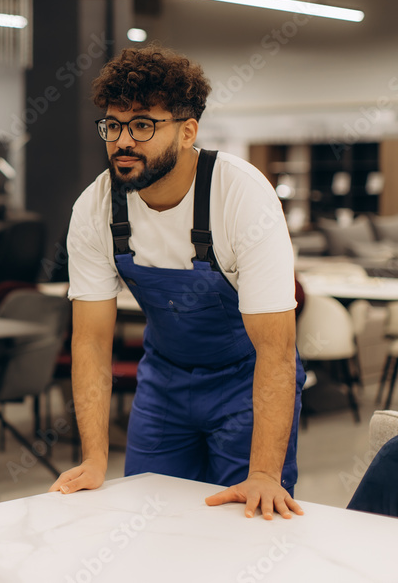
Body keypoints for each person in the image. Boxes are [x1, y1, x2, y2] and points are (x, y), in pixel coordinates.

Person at [49, 45, 305, 521]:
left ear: (188, 131)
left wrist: (266, 474)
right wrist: (93, 459)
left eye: (143, 124)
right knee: (148, 522)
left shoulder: (240, 196)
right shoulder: (95, 207)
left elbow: (277, 350)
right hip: (163, 384)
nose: (123, 141)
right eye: (114, 125)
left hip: (246, 384)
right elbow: (90, 340)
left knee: (247, 525)